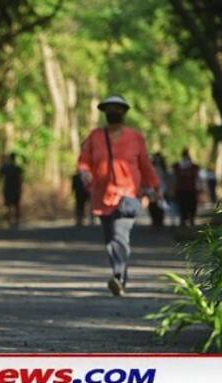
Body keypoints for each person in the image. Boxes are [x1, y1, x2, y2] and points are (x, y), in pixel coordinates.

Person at [77, 95, 160, 296]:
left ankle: (118, 277)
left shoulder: (135, 137)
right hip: (102, 196)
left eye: (117, 108)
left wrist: (155, 188)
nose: (113, 112)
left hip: (127, 196)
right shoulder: (95, 137)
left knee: (120, 236)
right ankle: (120, 276)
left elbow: (145, 166)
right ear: (105, 112)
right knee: (110, 240)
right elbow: (84, 161)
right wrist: (85, 173)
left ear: (124, 112)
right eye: (109, 109)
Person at [173, 149, 200, 226]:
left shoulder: (177, 166)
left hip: (184, 190)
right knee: (189, 206)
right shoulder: (193, 167)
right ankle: (188, 220)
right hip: (188, 190)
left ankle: (186, 220)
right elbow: (198, 179)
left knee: (184, 206)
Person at [0, 153, 23, 226]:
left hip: (8, 189)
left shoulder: (6, 168)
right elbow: (20, 179)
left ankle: (11, 221)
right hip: (14, 189)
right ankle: (16, 221)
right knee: (16, 205)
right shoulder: (16, 168)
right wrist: (20, 188)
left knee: (10, 205)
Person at [148, 153, 168, 228]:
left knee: (160, 206)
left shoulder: (163, 168)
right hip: (152, 189)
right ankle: (154, 221)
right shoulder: (151, 168)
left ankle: (160, 222)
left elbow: (165, 179)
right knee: (153, 206)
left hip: (161, 189)